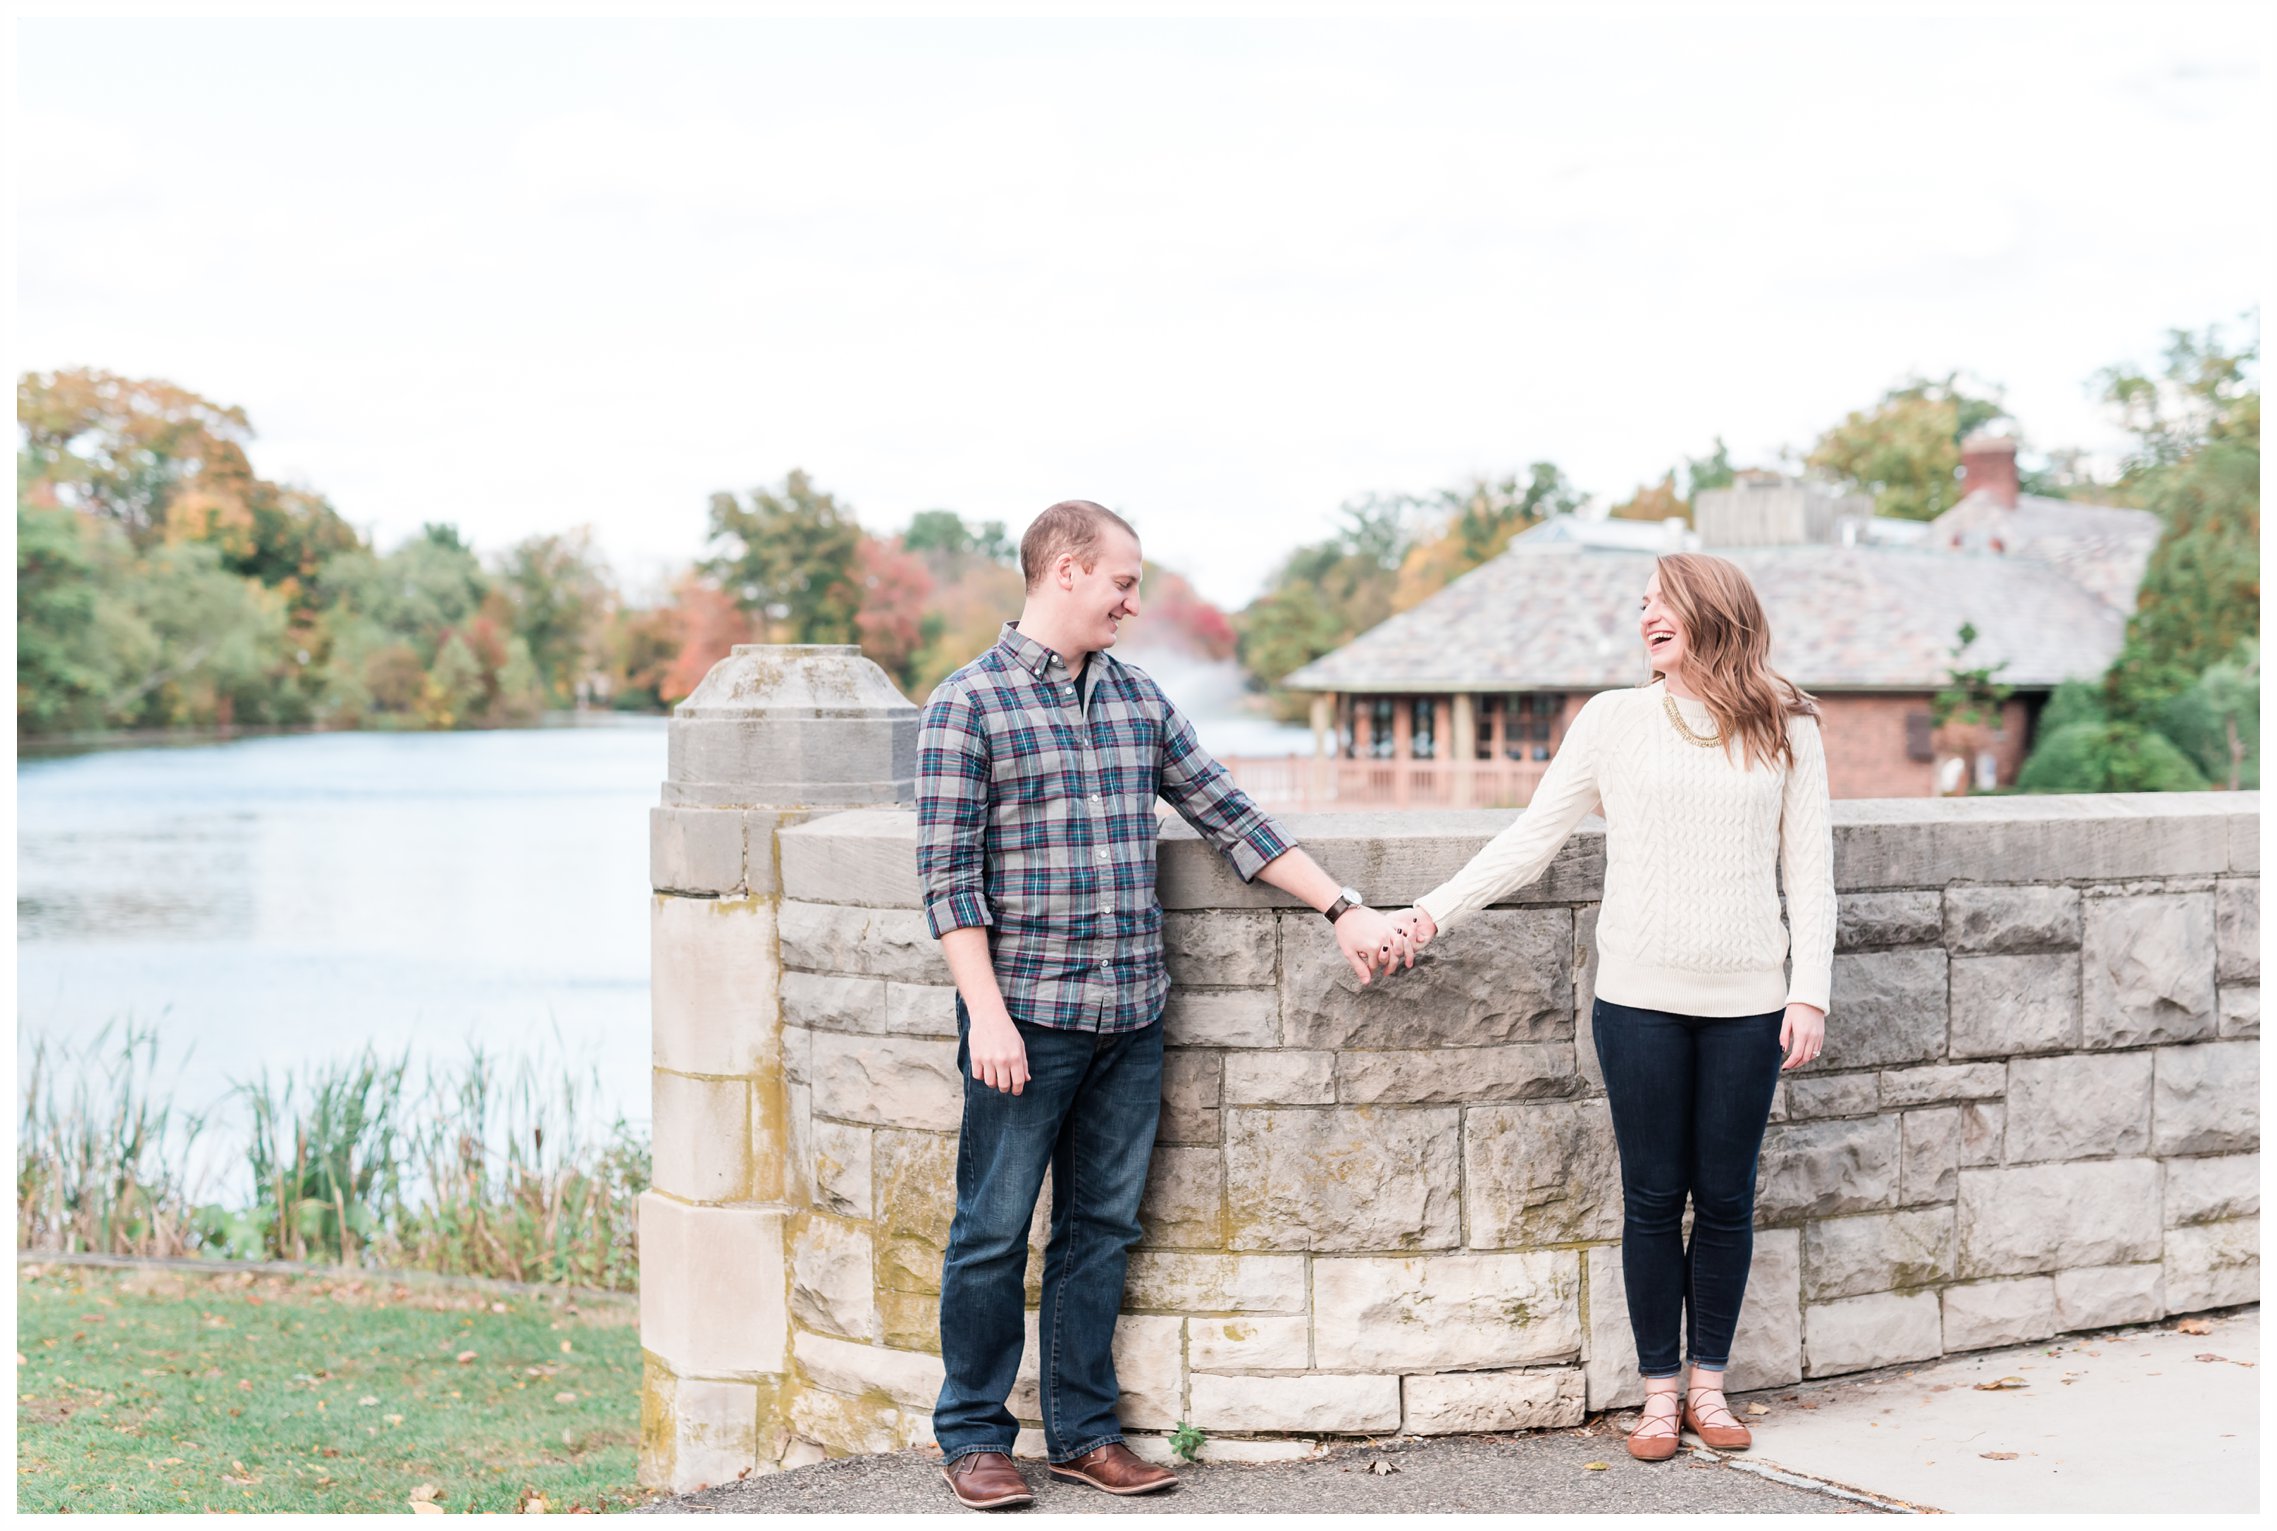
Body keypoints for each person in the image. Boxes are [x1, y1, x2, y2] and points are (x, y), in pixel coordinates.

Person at [916, 499, 1407, 1509]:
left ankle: (1085, 1434)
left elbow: (1231, 816)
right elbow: (949, 880)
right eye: (1122, 582)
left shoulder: (1138, 699)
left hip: (1131, 1014)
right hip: (1026, 1017)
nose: (1133, 603)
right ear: (1064, 573)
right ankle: (972, 1434)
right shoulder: (966, 704)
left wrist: (1343, 907)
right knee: (992, 1231)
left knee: (1101, 1227)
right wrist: (990, 1014)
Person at [1391, 552, 1833, 1463]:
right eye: (1641, 606)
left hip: (1750, 1002)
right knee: (1648, 1197)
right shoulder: (1613, 720)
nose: (1646, 618)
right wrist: (1429, 913)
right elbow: (1530, 840)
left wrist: (1808, 991)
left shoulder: (1787, 724)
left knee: (1724, 1198)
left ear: (1712, 611)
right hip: (1636, 1000)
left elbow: (1810, 871)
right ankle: (1658, 1396)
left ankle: (1710, 1386)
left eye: (1660, 602)